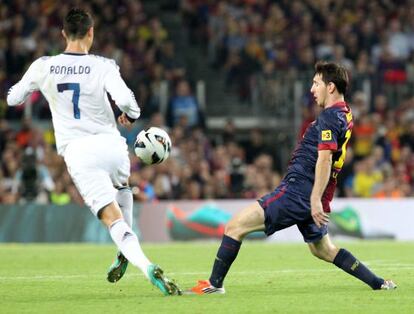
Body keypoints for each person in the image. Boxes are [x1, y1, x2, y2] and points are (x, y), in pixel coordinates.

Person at [7, 8, 181, 296]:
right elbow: (127, 101)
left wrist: (33, 86)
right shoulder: (103, 65)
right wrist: (132, 115)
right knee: (122, 189)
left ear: (63, 34)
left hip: (79, 152)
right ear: (91, 32)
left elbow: (13, 98)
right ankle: (124, 252)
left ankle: (145, 264)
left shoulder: (44, 65)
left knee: (111, 218)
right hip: (112, 145)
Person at [190, 61, 396, 294]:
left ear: (330, 87)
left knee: (235, 226)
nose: (311, 89)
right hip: (309, 192)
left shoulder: (330, 117)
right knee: (323, 250)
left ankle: (214, 284)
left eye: (316, 83)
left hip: (299, 192)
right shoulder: (345, 114)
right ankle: (378, 282)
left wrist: (315, 199)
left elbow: (325, 159)